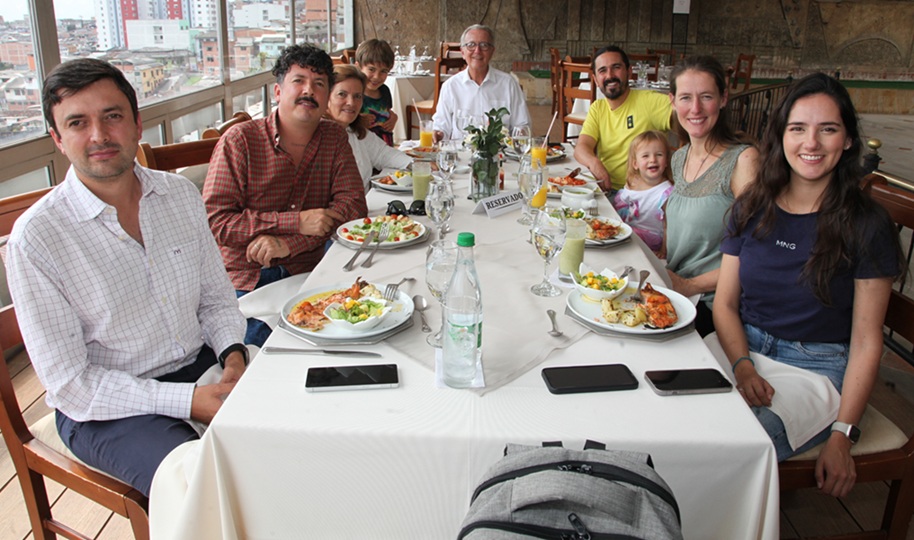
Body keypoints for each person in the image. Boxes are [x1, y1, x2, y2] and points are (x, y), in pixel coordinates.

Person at [6, 58, 248, 497]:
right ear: (57, 139)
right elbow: (71, 385)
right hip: (106, 408)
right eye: (77, 123)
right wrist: (188, 401)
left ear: (137, 124)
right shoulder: (37, 238)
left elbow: (216, 299)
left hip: (200, 362)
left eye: (112, 116)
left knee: (293, 421)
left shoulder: (178, 195)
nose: (98, 135)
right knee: (201, 487)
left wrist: (233, 357)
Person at [714, 73, 903, 497]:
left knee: (730, 446)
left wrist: (843, 433)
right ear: (781, 135)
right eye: (798, 128)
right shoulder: (752, 206)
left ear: (848, 140)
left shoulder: (865, 224)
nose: (811, 143)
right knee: (671, 416)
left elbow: (866, 339)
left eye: (828, 129)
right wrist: (743, 364)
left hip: (816, 367)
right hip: (740, 347)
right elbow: (725, 304)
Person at [204, 44, 368, 346]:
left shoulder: (334, 138)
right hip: (248, 280)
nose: (309, 90)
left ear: (326, 97)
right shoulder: (240, 141)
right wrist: (296, 222)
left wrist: (288, 243)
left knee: (356, 336)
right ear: (278, 91)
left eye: (319, 84)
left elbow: (354, 208)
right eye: (299, 81)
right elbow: (217, 223)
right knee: (265, 353)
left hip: (311, 275)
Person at [663, 55, 759, 336]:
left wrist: (690, 285)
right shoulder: (679, 158)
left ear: (723, 99)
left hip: (716, 305)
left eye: (706, 97)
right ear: (673, 102)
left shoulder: (743, 160)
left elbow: (757, 253)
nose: (695, 108)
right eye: (685, 98)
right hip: (677, 293)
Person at [573, 45, 672, 193]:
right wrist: (594, 164)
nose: (610, 75)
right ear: (595, 79)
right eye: (602, 71)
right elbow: (582, 147)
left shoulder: (650, 102)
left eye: (616, 67)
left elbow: (688, 117)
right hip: (608, 190)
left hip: (643, 196)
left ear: (629, 72)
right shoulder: (598, 108)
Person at [431, 24, 531, 141]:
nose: (477, 51)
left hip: (499, 151)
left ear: (492, 51)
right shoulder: (450, 86)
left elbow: (523, 124)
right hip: (461, 151)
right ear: (462, 52)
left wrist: (521, 133)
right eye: (471, 45)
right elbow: (441, 126)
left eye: (484, 45)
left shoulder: (509, 84)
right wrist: (438, 134)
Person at [326, 65, 413, 190]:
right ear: (326, 97)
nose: (351, 102)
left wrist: (414, 165)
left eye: (357, 96)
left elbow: (383, 153)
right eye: (342, 94)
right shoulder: (319, 138)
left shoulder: (356, 132)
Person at [612, 130, 673, 253]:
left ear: (666, 161)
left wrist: (663, 251)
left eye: (659, 154)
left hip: (651, 240)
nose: (653, 160)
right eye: (645, 156)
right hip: (626, 232)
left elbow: (669, 227)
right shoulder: (633, 183)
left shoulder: (666, 193)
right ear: (635, 164)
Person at [355, 38, 398, 146]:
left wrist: (393, 118)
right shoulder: (354, 93)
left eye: (383, 71)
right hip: (362, 148)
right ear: (358, 67)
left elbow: (387, 112)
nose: (377, 77)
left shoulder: (384, 91)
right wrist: (357, 122)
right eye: (371, 69)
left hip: (385, 146)